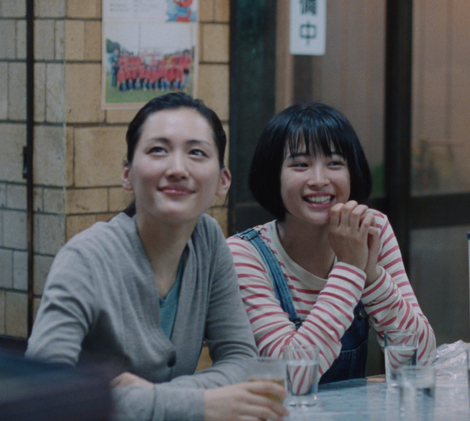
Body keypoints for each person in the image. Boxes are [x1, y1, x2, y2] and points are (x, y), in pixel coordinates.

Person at [25, 93, 288, 421]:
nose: (177, 169)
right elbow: (44, 392)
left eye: (196, 152)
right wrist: (199, 405)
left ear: (223, 181)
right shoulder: (86, 258)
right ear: (127, 174)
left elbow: (241, 360)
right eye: (158, 150)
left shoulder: (208, 241)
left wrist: (152, 396)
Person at [227, 103, 436, 383]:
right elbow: (292, 377)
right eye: (300, 165)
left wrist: (371, 275)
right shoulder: (243, 255)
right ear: (273, 176)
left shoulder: (371, 230)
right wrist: (350, 269)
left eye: (334, 163)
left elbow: (420, 359)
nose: (319, 180)